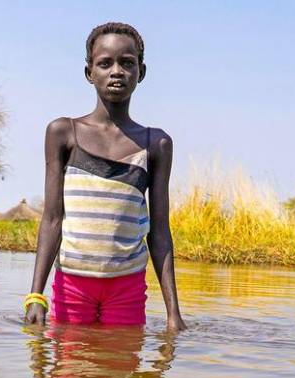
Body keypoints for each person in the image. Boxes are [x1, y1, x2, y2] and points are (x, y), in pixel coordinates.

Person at [23, 22, 186, 331]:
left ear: (142, 72)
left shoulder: (156, 144)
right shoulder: (63, 133)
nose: (117, 71)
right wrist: (35, 296)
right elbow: (52, 219)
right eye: (105, 63)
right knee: (69, 375)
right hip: (73, 283)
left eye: (127, 63)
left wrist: (173, 314)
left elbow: (160, 232)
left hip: (126, 287)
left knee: (122, 372)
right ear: (89, 72)